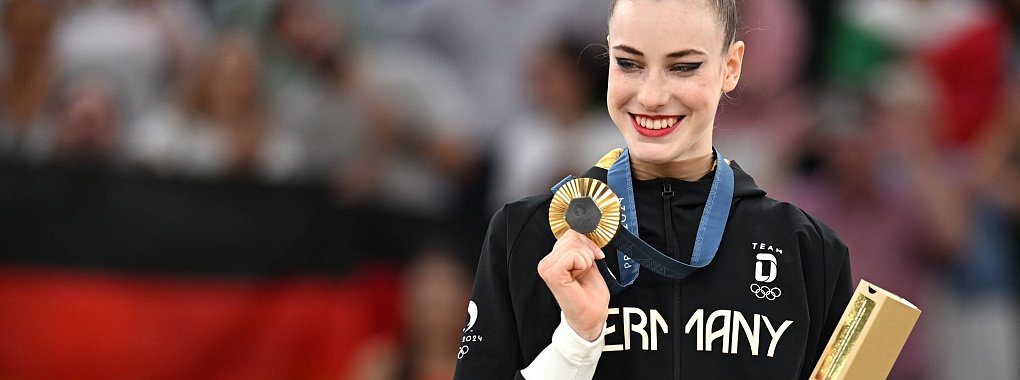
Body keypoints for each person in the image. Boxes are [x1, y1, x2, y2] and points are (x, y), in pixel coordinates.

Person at [453, 0, 853, 379]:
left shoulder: (806, 249)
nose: (652, 96)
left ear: (731, 67)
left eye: (683, 66)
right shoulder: (527, 233)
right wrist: (574, 344)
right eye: (629, 63)